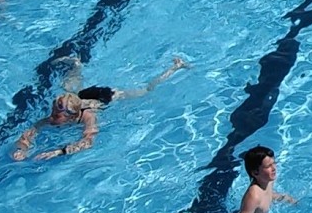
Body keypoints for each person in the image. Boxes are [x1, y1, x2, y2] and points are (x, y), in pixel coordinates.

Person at [13, 55, 189, 161]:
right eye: (53, 114)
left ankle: (175, 67)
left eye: (56, 117)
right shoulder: (60, 113)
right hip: (82, 96)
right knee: (70, 87)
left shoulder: (88, 116)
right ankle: (76, 65)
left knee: (145, 91)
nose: (51, 119)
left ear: (71, 118)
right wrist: (22, 149)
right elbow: (32, 130)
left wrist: (59, 152)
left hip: (106, 96)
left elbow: (88, 142)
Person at [233, 145, 297, 213]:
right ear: (255, 173)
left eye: (274, 163)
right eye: (268, 166)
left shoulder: (268, 180)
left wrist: (285, 198)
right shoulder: (253, 196)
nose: (274, 168)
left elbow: (269, 194)